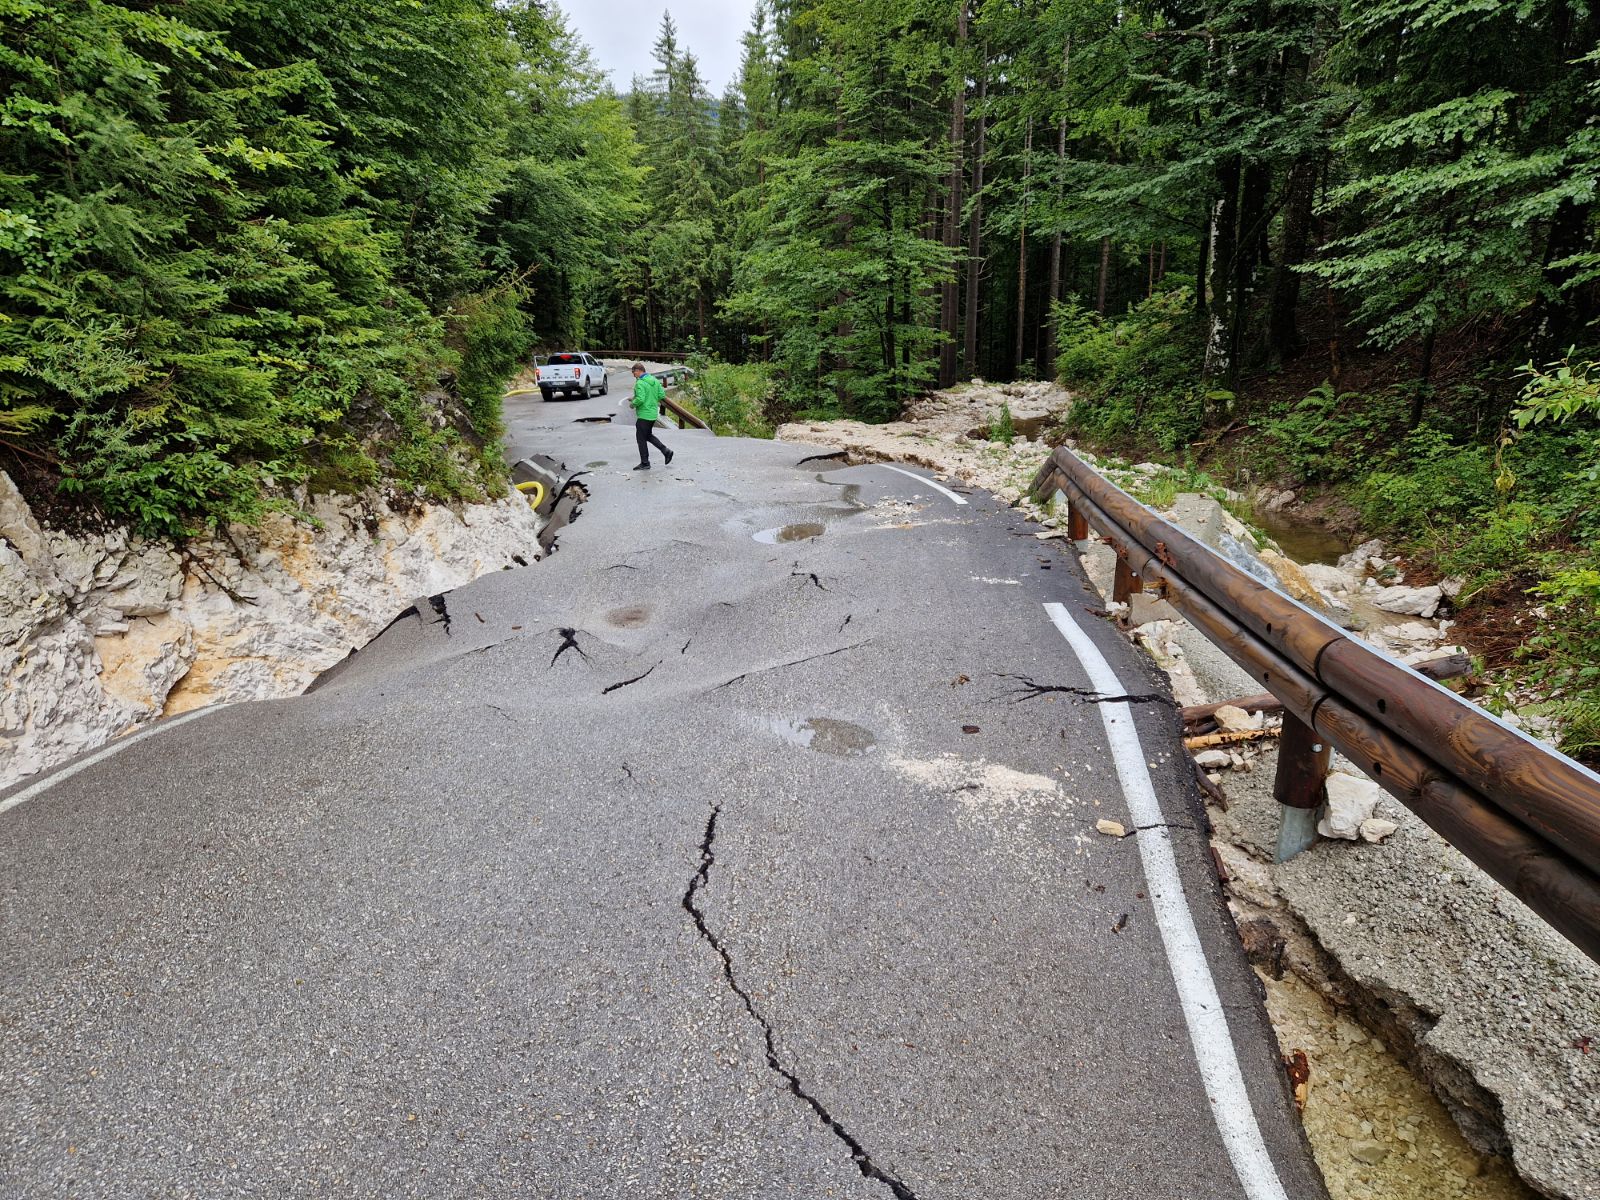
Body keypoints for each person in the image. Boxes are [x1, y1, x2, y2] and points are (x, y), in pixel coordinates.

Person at [628, 363, 674, 471]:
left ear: (639, 370)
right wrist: (651, 400)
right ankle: (666, 451)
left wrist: (632, 404)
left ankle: (645, 463)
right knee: (647, 435)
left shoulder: (640, 383)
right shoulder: (654, 380)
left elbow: (640, 399)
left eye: (634, 373)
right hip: (653, 414)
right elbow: (661, 395)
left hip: (644, 415)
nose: (634, 375)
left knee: (641, 439)